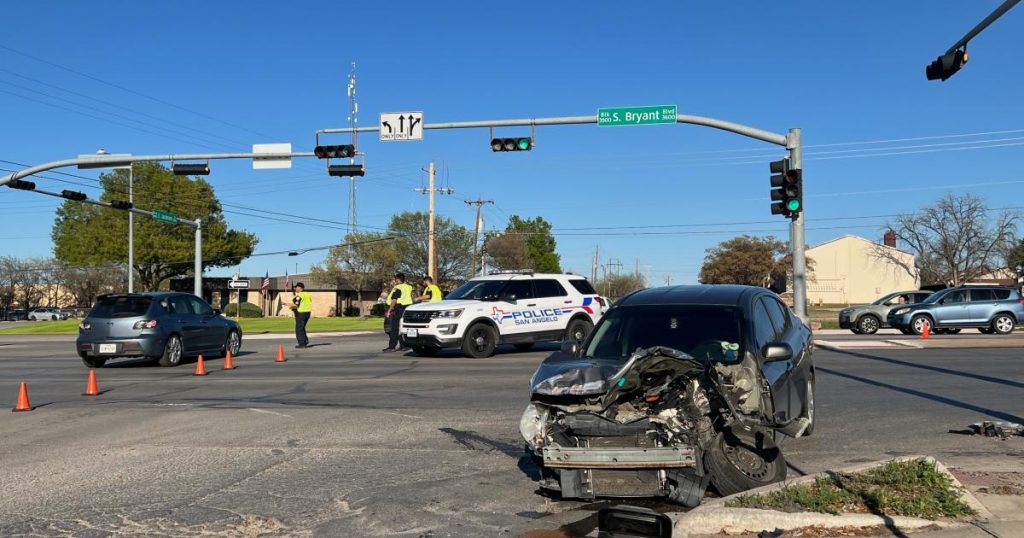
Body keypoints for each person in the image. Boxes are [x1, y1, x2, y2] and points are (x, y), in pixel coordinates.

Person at [383, 272, 413, 352]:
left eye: (395, 279)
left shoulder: (397, 288)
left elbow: (394, 300)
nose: (395, 281)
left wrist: (389, 310)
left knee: (394, 328)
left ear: (398, 279)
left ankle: (392, 346)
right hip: (407, 308)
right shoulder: (409, 287)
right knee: (402, 327)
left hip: (398, 308)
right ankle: (404, 346)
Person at [290, 282, 313, 348]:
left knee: (299, 329)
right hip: (307, 313)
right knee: (302, 328)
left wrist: (286, 304)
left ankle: (302, 344)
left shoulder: (299, 295)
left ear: (301, 288)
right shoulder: (307, 294)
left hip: (301, 313)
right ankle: (305, 340)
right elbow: (308, 302)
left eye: (296, 287)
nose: (295, 288)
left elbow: (296, 305)